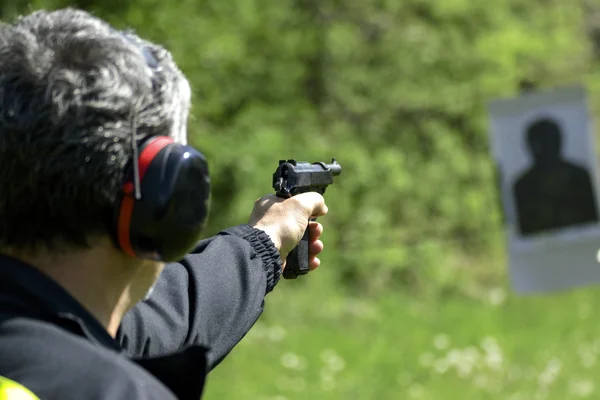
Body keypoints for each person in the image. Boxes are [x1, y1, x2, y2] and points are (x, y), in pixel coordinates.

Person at [0, 8, 329, 400]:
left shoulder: (42, 329)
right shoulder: (118, 392)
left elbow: (163, 319)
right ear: (164, 194)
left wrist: (266, 241)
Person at [513, 117, 599, 236]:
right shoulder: (522, 185)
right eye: (536, 145)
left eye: (547, 143)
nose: (542, 151)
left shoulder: (580, 176)